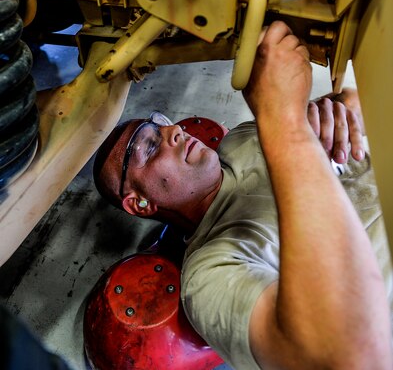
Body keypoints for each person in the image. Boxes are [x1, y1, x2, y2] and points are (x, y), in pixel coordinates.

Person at [93, 20, 393, 370]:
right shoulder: (208, 275)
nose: (173, 131)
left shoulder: (241, 139)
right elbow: (352, 357)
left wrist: (340, 113)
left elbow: (354, 101)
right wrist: (283, 121)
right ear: (140, 203)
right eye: (148, 145)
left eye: (162, 125)